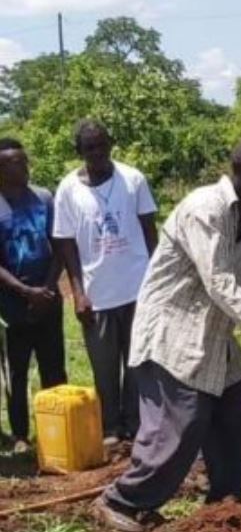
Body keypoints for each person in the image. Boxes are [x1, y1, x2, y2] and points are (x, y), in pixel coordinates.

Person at [93, 138, 241, 532]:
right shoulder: (207, 209)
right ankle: (120, 501)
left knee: (238, 424)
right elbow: (219, 281)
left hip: (214, 337)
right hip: (176, 335)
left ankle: (224, 507)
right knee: (179, 427)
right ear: (238, 172)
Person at [53, 121, 158, 446]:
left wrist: (157, 281)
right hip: (97, 293)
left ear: (111, 144)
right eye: (89, 148)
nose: (97, 153)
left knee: (138, 360)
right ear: (79, 152)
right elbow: (65, 243)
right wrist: (78, 293)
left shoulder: (133, 179)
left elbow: (149, 230)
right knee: (104, 365)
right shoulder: (68, 189)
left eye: (101, 146)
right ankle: (111, 426)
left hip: (138, 287)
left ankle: (135, 422)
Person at [0, 139, 66, 453]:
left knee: (54, 366)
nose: (22, 167)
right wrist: (26, 292)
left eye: (24, 161)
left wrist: (48, 289)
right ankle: (21, 435)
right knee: (17, 370)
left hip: (49, 296)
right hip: (12, 304)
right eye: (13, 163)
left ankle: (57, 430)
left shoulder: (44, 198)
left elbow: (60, 247)